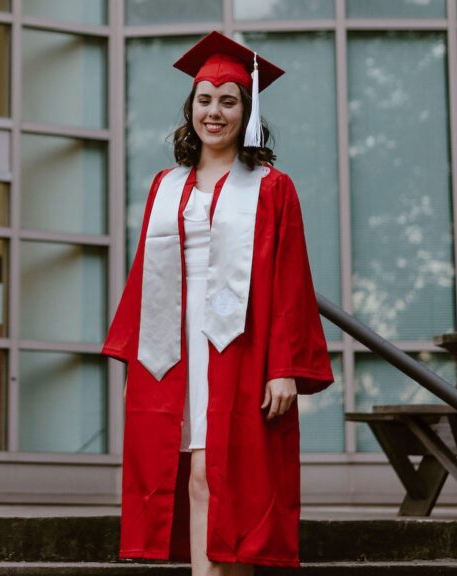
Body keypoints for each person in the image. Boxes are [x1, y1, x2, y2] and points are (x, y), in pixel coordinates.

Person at [102, 32, 334, 574]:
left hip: (242, 350)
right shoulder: (167, 185)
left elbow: (289, 284)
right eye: (205, 99)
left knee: (226, 478)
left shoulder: (273, 188)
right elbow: (145, 276)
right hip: (177, 351)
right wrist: (136, 354)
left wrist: (284, 369)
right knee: (194, 475)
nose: (215, 111)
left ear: (246, 112)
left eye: (228, 100)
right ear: (191, 110)